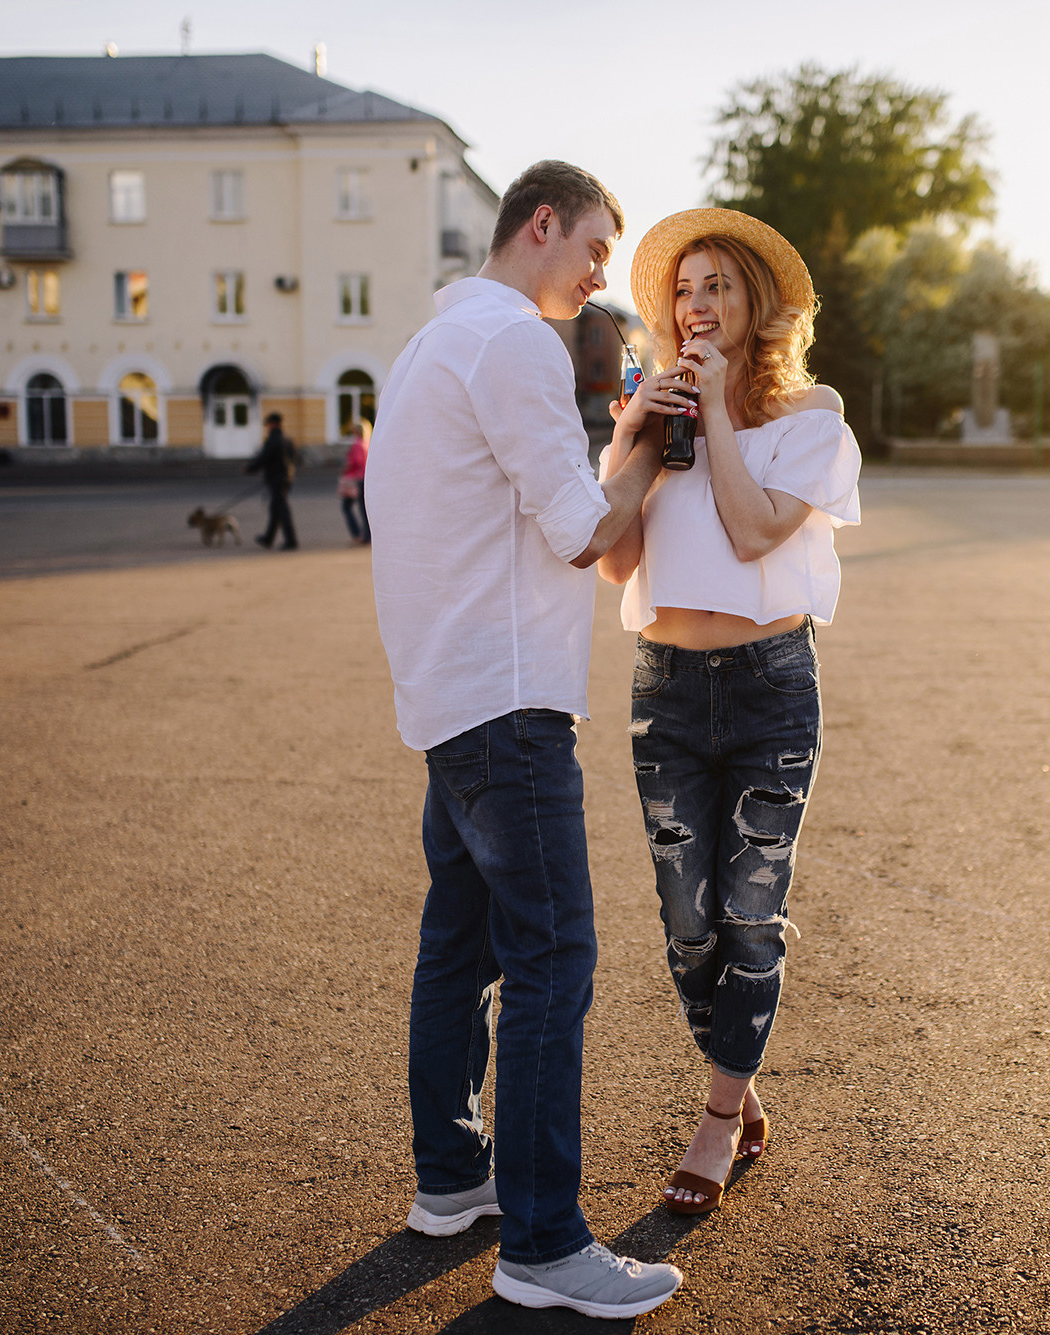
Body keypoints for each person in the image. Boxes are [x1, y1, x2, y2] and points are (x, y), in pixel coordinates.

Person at [367, 161, 682, 1319]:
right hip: (505, 704)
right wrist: (649, 437)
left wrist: (615, 444)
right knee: (552, 958)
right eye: (597, 246)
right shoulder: (510, 346)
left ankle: (453, 1181)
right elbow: (583, 535)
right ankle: (544, 1242)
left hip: (448, 700)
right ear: (538, 224)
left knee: (460, 947)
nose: (603, 275)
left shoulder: (425, 346)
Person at [596, 208, 861, 1215]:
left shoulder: (809, 413)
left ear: (754, 305)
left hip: (766, 687)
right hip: (664, 688)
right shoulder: (651, 407)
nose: (697, 303)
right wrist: (632, 431)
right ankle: (740, 1089)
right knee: (686, 927)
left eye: (718, 286)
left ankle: (713, 1123)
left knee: (749, 917)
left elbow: (753, 534)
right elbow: (615, 559)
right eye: (684, 287)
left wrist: (709, 412)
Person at [245, 412, 298, 550]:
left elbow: (264, 458)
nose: (267, 427)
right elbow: (295, 459)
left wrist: (250, 468)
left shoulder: (273, 440)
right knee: (275, 509)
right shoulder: (287, 439)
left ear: (273, 424)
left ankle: (291, 541)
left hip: (276, 479)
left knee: (282, 510)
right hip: (286, 479)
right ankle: (268, 538)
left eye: (268, 424)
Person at [338, 419, 371, 546]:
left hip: (355, 478)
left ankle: (358, 533)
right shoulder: (367, 443)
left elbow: (355, 462)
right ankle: (367, 534)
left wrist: (345, 467)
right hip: (364, 478)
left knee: (347, 507)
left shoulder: (357, 444)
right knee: (364, 508)